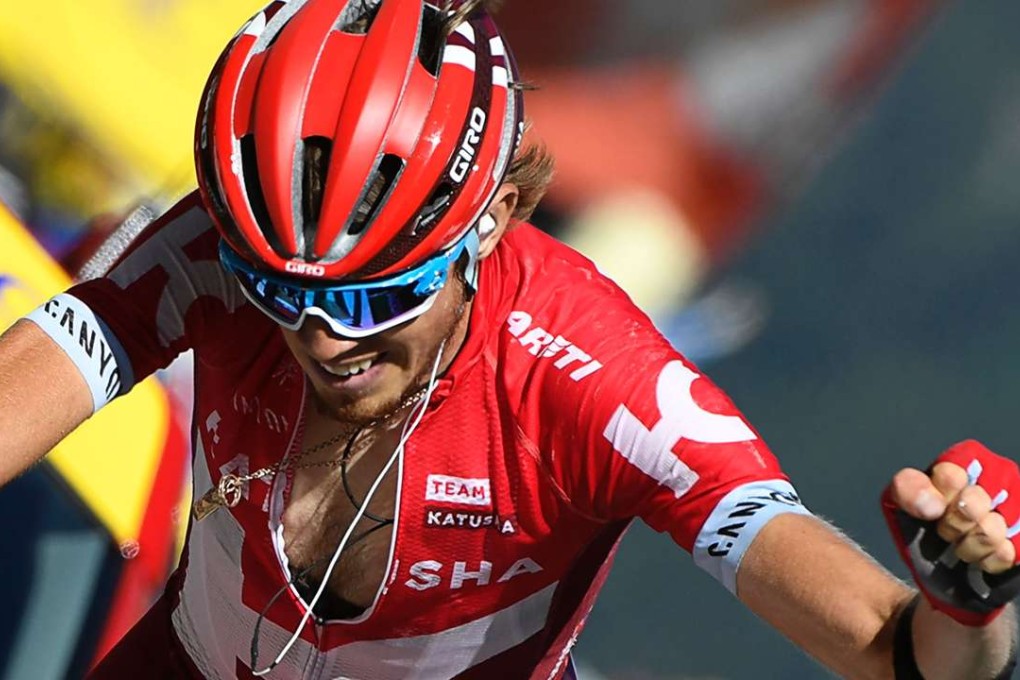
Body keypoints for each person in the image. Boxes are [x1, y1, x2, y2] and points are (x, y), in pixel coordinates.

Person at [0, 0, 1017, 678]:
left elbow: (895, 654)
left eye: (372, 296)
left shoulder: (595, 379)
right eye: (277, 288)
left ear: (487, 219)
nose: (320, 337)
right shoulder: (213, 254)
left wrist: (969, 607)